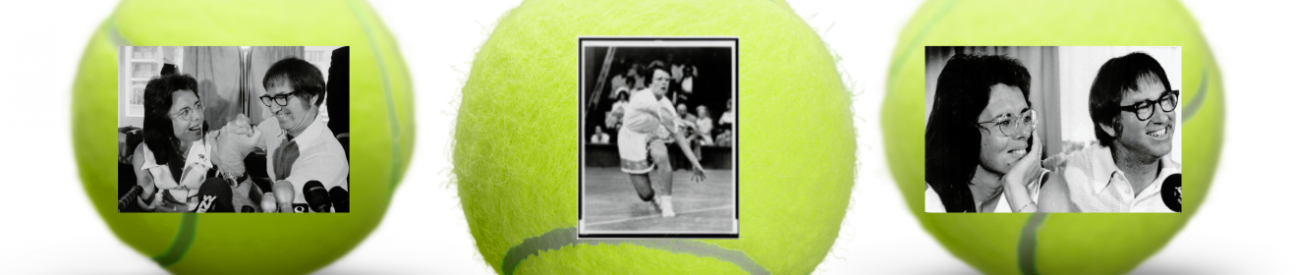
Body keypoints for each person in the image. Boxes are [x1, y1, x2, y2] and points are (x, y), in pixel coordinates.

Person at [1037, 52, 1181, 212]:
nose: (1162, 117)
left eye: (1165, 100)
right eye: (1144, 106)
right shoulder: (1065, 176)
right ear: (1108, 124)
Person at [924, 54, 1047, 213]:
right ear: (966, 131)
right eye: (1005, 122)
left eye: (1025, 118)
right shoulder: (924, 196)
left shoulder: (1047, 188)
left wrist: (1016, 189)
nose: (1024, 132)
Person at [131, 74, 263, 213]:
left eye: (198, 106)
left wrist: (233, 163)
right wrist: (144, 189)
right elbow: (147, 202)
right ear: (162, 119)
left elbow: (253, 205)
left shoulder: (211, 144)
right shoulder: (144, 151)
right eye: (185, 112)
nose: (198, 116)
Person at [244, 57, 349, 213]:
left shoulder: (327, 157)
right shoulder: (275, 125)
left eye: (281, 98)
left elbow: (277, 206)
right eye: (270, 99)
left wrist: (236, 174)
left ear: (312, 97)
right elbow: (244, 141)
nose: (273, 108)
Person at [609, 64, 707, 218]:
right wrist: (677, 120)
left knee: (662, 155)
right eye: (659, 79)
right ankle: (654, 198)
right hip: (631, 138)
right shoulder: (643, 98)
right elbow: (666, 117)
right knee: (645, 194)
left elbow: (679, 136)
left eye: (667, 79)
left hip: (651, 133)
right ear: (649, 82)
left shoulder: (667, 103)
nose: (664, 83)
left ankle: (667, 205)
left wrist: (696, 163)